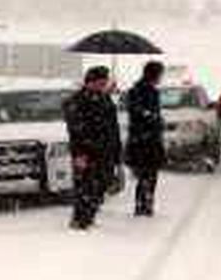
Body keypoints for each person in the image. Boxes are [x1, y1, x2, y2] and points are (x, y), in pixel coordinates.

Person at [63, 66, 122, 230]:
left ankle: (89, 217)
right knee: (85, 187)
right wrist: (80, 154)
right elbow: (76, 130)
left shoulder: (105, 99)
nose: (103, 85)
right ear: (90, 82)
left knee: (101, 185)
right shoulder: (76, 101)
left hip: (106, 151)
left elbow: (113, 127)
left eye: (104, 82)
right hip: (86, 152)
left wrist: (117, 152)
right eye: (100, 82)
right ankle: (80, 221)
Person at [124, 60, 166, 216]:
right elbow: (137, 112)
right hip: (144, 141)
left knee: (147, 176)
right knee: (146, 175)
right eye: (160, 74)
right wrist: (153, 118)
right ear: (153, 74)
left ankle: (145, 205)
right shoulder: (139, 91)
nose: (161, 77)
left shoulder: (148, 90)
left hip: (147, 140)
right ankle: (143, 206)